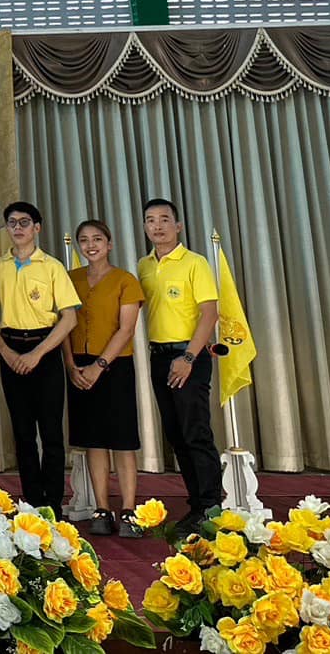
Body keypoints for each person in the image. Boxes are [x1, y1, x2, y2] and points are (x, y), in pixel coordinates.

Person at [0, 200, 79, 512]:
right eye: (12, 223)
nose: (18, 228)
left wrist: (37, 353)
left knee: (50, 431)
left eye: (25, 222)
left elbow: (69, 318)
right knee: (22, 432)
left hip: (45, 350)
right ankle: (31, 502)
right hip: (11, 351)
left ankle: (53, 502)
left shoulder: (51, 267)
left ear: (37, 228)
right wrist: (6, 352)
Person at [138, 198, 222, 530]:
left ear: (178, 226)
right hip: (158, 357)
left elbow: (209, 314)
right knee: (175, 433)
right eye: (150, 220)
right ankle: (196, 503)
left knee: (195, 431)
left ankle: (211, 506)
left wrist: (188, 357)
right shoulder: (143, 266)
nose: (157, 226)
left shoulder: (195, 263)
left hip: (189, 357)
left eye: (164, 219)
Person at [63, 219, 145, 537]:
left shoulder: (125, 280)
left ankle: (128, 509)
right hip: (80, 367)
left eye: (97, 239)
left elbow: (126, 329)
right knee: (95, 442)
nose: (91, 244)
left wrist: (99, 365)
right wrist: (72, 366)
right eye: (84, 240)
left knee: (122, 441)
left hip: (115, 365)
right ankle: (102, 507)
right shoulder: (71, 279)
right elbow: (66, 326)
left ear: (109, 244)